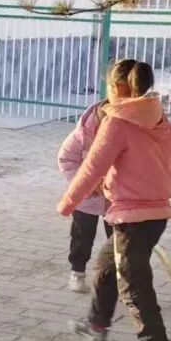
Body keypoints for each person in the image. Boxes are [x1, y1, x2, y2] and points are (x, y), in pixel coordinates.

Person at [57, 59, 171, 341]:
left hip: (132, 217)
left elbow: (91, 168)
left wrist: (68, 204)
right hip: (155, 214)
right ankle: (96, 325)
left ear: (117, 87)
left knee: (134, 287)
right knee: (106, 267)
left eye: (109, 86)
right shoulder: (160, 120)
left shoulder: (117, 122)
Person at [58, 102, 112, 292]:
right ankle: (77, 273)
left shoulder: (124, 134)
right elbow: (66, 160)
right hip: (86, 198)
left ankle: (118, 279)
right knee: (82, 236)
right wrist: (85, 184)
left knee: (118, 239)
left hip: (116, 198)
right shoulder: (81, 135)